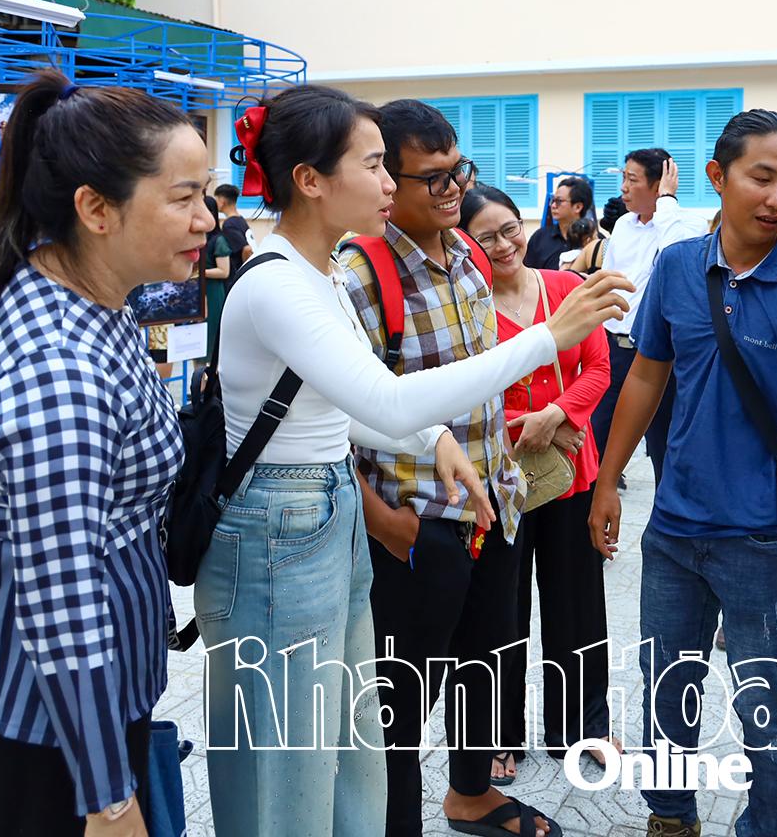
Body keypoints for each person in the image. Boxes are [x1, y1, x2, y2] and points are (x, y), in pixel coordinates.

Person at [197, 85, 627, 837]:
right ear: (311, 180)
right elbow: (387, 401)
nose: (393, 187)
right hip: (301, 522)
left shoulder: (320, 271)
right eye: (376, 166)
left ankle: (457, 796)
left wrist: (437, 443)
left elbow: (356, 401)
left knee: (353, 731)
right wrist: (548, 339)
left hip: (359, 509)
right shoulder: (293, 281)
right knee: (302, 745)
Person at [589, 111, 777, 837]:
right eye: (762, 177)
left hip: (764, 541)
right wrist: (607, 481)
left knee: (767, 705)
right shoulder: (675, 267)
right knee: (668, 690)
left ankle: (766, 827)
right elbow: (645, 377)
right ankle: (670, 815)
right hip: (672, 530)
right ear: (718, 178)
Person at [0, 71, 213, 836]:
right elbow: (61, 599)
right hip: (37, 718)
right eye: (183, 197)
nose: (208, 218)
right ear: (95, 209)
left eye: (207, 194)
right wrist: (107, 797)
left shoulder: (94, 299)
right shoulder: (56, 368)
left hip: (68, 700)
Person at [339, 99, 629, 837]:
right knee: (406, 692)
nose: (451, 191)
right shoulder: (359, 273)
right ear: (384, 180)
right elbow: (340, 408)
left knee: (486, 660)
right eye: (430, 178)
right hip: (416, 515)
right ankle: (390, 819)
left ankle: (471, 794)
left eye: (457, 172)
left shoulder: (462, 255)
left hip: (490, 501)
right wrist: (382, 520)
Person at [458, 184, 615, 786]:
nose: (503, 244)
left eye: (509, 229)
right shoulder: (465, 307)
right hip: (501, 478)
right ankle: (497, 736)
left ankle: (581, 725)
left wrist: (559, 415)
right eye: (486, 236)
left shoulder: (565, 289)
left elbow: (600, 366)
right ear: (464, 243)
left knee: (577, 603)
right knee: (500, 610)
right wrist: (528, 423)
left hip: (570, 469)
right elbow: (464, 389)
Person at [591, 148, 706, 487]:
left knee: (663, 447)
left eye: (632, 179)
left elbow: (674, 261)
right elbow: (609, 279)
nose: (623, 187)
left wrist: (667, 202)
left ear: (658, 186)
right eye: (623, 178)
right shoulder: (624, 225)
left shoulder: (688, 225)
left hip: (660, 356)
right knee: (597, 435)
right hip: (615, 349)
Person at [526, 175, 595, 270]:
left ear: (578, 207)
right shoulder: (539, 238)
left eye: (559, 201)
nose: (553, 206)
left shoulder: (594, 240)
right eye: (552, 201)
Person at [201, 195, 232, 360]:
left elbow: (224, 271)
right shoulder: (199, 238)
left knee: (211, 341)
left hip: (213, 293)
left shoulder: (218, 240)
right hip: (198, 292)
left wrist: (199, 273)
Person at [214, 182, 252, 267]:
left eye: (216, 200)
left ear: (222, 201)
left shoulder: (229, 225)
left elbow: (247, 249)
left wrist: (244, 269)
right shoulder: (240, 220)